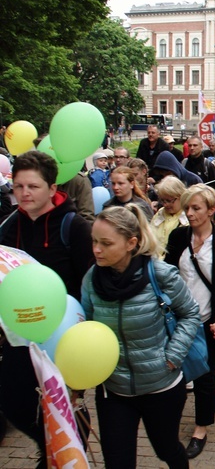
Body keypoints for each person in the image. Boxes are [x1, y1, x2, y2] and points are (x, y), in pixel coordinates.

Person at [81, 205, 200, 469]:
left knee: (166, 449)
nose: (96, 249)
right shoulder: (92, 279)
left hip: (161, 386)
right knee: (117, 461)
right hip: (114, 389)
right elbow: (86, 324)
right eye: (94, 241)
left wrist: (172, 357)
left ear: (131, 243)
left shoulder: (159, 274)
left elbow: (190, 314)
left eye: (105, 243)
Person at [0, 151, 93, 468]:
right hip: (20, 332)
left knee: (62, 401)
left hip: (62, 335)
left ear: (52, 189)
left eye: (33, 186)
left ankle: (69, 441)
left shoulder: (74, 227)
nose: (24, 193)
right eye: (18, 186)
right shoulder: (9, 227)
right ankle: (50, 443)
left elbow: (87, 286)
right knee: (12, 401)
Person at [165, 184, 215, 459]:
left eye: (196, 208)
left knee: (202, 377)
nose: (190, 213)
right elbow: (168, 275)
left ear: (211, 210)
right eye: (187, 208)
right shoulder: (178, 237)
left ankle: (200, 429)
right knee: (194, 371)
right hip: (181, 320)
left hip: (209, 321)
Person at [151, 176, 189, 254]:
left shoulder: (188, 216)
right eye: (162, 200)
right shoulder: (160, 213)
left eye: (169, 200)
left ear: (181, 196)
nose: (165, 205)